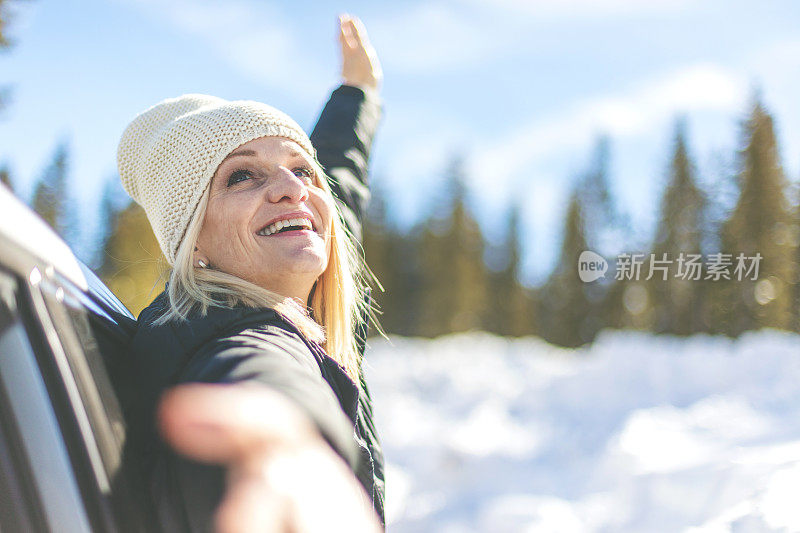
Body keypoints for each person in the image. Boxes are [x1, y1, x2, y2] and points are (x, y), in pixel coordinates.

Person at [116, 15, 385, 532]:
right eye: (242, 175)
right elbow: (256, 370)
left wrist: (357, 93)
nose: (293, 189)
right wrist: (286, 442)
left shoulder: (311, 309)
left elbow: (340, 187)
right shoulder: (229, 333)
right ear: (194, 241)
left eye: (302, 169)